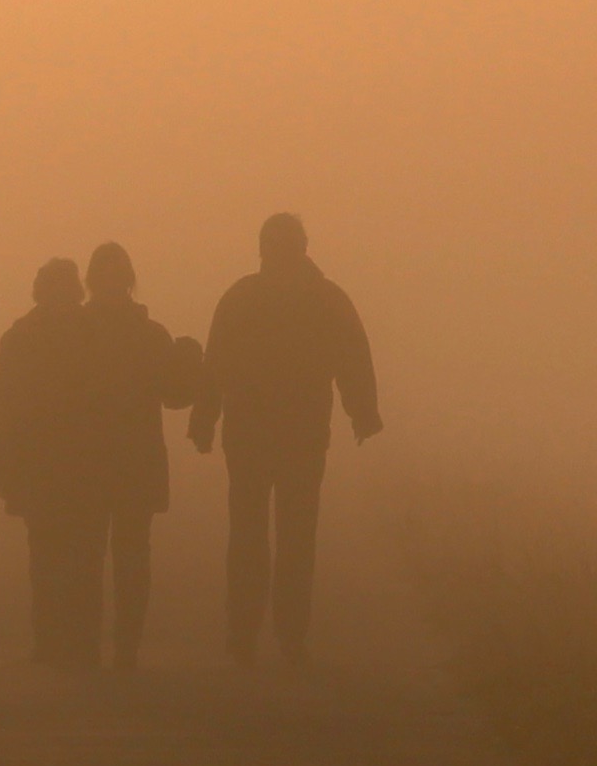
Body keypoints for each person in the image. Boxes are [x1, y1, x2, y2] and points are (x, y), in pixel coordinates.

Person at [190, 211, 379, 663]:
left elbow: (351, 356)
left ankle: (259, 636)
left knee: (263, 536)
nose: (276, 254)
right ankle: (269, 636)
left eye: (280, 245)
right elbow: (216, 363)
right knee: (280, 537)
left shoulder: (249, 297)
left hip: (277, 434)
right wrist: (362, 413)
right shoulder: (323, 298)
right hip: (286, 434)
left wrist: (364, 411)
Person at [74, 241, 206, 674]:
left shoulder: (73, 332)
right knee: (129, 557)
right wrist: (189, 362)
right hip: (131, 462)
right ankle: (122, 647)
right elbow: (177, 396)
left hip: (91, 462)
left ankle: (93, 646)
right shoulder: (150, 335)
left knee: (90, 557)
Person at [0, 256, 106, 666]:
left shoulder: (20, 337)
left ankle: (50, 641)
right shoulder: (93, 333)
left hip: (41, 468)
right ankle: (83, 643)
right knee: (86, 557)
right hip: (85, 465)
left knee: (47, 557)